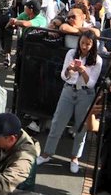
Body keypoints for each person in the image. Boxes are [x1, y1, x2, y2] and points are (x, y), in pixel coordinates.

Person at [37, 33, 104, 173]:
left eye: (88, 44)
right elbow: (63, 75)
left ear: (93, 45)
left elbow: (91, 83)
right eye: (82, 43)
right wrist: (69, 69)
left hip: (86, 94)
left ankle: (75, 158)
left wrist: (83, 71)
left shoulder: (97, 60)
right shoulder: (71, 53)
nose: (84, 46)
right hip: (68, 90)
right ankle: (46, 154)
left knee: (81, 127)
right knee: (57, 122)